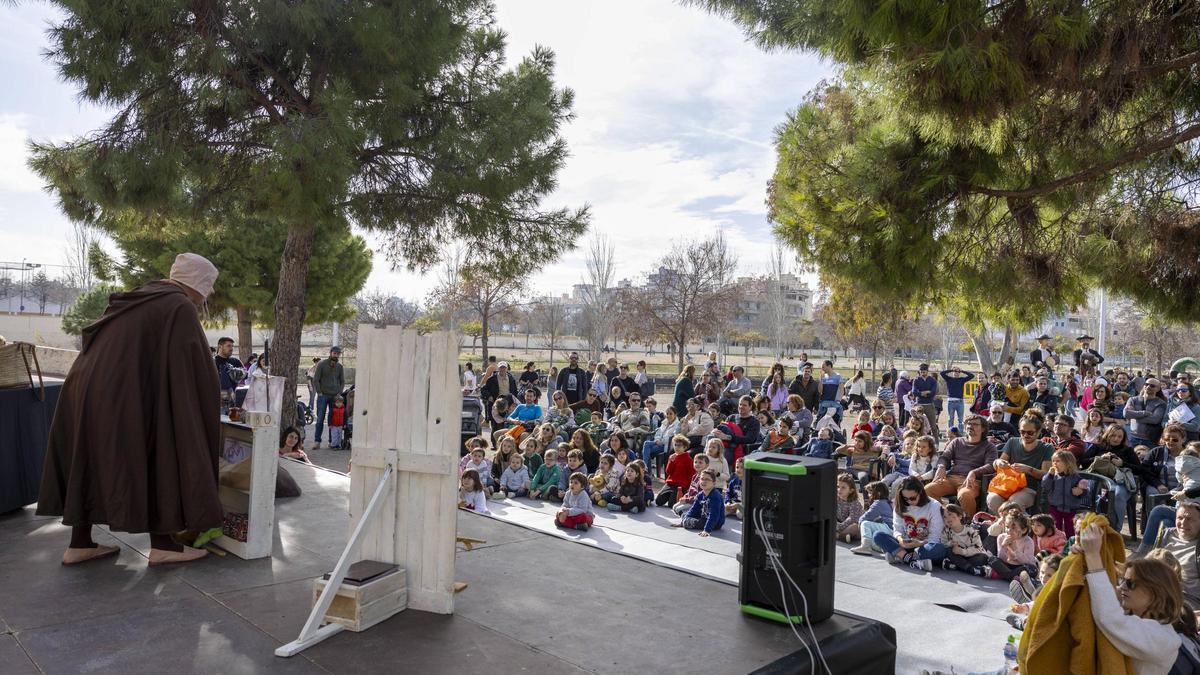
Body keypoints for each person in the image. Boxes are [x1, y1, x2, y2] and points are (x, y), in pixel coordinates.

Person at [38, 252, 223, 566]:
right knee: (158, 450)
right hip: (122, 393)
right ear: (196, 281)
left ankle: (79, 543)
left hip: (85, 387)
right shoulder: (178, 305)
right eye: (209, 284)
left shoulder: (139, 297)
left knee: (89, 456)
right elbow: (194, 365)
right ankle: (164, 545)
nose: (211, 292)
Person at [1074, 523, 1183, 675]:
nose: (1123, 586)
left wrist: (1093, 556)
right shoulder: (1129, 612)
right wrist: (1083, 559)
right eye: (1123, 580)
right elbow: (1104, 598)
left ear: (1157, 592)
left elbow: (1110, 618)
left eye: (1131, 583)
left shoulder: (1164, 639)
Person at [924, 415, 997, 515]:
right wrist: (941, 466)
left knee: (964, 495)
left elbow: (991, 465)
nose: (970, 426)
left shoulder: (989, 447)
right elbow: (944, 457)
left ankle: (970, 521)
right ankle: (944, 515)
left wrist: (974, 472)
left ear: (983, 429)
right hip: (951, 478)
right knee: (927, 490)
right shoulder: (957, 442)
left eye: (975, 424)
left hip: (972, 480)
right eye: (968, 424)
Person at [984, 413, 1054, 513]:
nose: (1025, 435)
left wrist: (1028, 469)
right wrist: (999, 462)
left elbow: (1046, 474)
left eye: (1030, 433)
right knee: (992, 499)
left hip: (1030, 487)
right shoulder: (1012, 442)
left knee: (1014, 502)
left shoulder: (1046, 448)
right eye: (1022, 432)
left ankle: (1018, 522)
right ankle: (1007, 521)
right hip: (1007, 484)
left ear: (1038, 432)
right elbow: (997, 464)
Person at [873, 476, 945, 571]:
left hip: (924, 546)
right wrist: (900, 540)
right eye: (905, 498)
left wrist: (919, 543)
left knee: (940, 549)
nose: (909, 501)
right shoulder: (900, 505)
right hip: (905, 545)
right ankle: (912, 560)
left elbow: (935, 537)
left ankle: (900, 556)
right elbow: (897, 530)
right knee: (878, 535)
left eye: (913, 498)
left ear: (920, 492)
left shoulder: (934, 506)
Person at [1149, 501, 1200, 607]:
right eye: (1180, 518)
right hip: (1158, 590)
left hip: (1186, 598)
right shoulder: (1166, 535)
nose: (1183, 523)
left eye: (1189, 519)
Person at [940, 503, 989, 576]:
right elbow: (943, 543)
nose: (947, 519)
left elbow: (978, 548)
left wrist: (962, 551)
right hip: (957, 557)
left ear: (960, 516)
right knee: (949, 551)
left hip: (971, 556)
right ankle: (970, 569)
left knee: (983, 558)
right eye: (945, 517)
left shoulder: (971, 531)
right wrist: (950, 544)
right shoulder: (946, 531)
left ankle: (956, 565)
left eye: (950, 514)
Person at [988, 511, 1038, 581]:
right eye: (1007, 527)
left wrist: (1015, 550)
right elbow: (1001, 558)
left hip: (1020, 566)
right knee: (992, 559)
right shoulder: (1001, 537)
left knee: (1032, 569)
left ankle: (1004, 575)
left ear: (1024, 530)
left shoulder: (1028, 541)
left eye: (1013, 528)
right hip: (1006, 566)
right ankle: (1013, 577)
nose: (1009, 530)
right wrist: (1003, 546)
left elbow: (1027, 562)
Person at [673, 468, 725, 537]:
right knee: (686, 516)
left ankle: (687, 521)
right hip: (703, 517)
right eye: (702, 479)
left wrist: (707, 530)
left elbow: (714, 515)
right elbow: (694, 509)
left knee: (688, 521)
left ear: (714, 483)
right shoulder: (700, 495)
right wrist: (682, 522)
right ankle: (685, 521)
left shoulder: (715, 496)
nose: (704, 481)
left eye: (707, 479)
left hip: (716, 522)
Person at [312, 346, 346, 449]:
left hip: (335, 397)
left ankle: (332, 442)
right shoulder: (322, 364)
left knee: (334, 420)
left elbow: (342, 381)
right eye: (334, 353)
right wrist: (319, 392)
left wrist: (339, 393)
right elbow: (316, 379)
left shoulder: (339, 367)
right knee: (320, 419)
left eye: (338, 354)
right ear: (330, 353)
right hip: (323, 395)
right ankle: (317, 441)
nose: (336, 355)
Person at [850, 481, 894, 555]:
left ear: (878, 493)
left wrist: (859, 524)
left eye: (870, 493)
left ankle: (865, 546)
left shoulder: (878, 503)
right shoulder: (886, 502)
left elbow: (866, 517)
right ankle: (887, 549)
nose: (868, 495)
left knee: (865, 523)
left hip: (888, 528)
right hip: (890, 530)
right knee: (873, 541)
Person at [656, 435, 698, 508]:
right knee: (658, 501)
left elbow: (691, 475)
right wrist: (671, 461)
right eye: (675, 445)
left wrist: (688, 489)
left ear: (685, 447)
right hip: (670, 483)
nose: (676, 447)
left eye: (679, 445)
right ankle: (670, 495)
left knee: (671, 504)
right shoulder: (672, 457)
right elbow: (668, 472)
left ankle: (674, 496)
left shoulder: (688, 459)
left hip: (680, 485)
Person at [1126, 378, 1168, 448]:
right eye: (1146, 384)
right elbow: (1126, 414)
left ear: (1158, 389)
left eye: (1152, 386)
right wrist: (1144, 413)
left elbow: (1155, 419)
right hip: (1133, 438)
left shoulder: (1161, 404)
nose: (1148, 387)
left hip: (1150, 440)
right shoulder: (1133, 400)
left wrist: (1134, 416)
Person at [641, 405, 680, 476]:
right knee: (646, 448)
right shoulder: (664, 422)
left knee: (646, 447)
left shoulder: (677, 425)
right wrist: (657, 440)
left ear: (675, 414)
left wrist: (661, 441)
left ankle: (645, 469)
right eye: (667, 414)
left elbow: (673, 437)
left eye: (670, 414)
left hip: (667, 446)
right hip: (658, 444)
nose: (668, 416)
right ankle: (647, 471)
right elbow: (658, 433)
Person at [940, 366, 974, 431]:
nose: (956, 373)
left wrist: (962, 371)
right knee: (951, 418)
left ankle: (960, 432)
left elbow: (971, 376)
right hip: (951, 402)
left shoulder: (962, 379)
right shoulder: (948, 379)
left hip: (960, 402)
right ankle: (950, 432)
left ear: (959, 373)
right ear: (953, 372)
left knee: (960, 419)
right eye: (955, 371)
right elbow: (942, 373)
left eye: (958, 372)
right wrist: (951, 370)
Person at [213, 336, 241, 410]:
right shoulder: (212, 362)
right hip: (215, 401)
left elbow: (245, 376)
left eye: (232, 346)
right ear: (220, 346)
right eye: (228, 346)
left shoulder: (235, 361)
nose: (231, 348)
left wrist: (235, 372)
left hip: (233, 401)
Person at [835, 473, 864, 542]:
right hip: (840, 523)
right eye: (838, 486)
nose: (839, 489)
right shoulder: (836, 499)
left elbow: (852, 518)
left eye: (843, 487)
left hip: (852, 525)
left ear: (851, 490)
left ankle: (838, 536)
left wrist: (840, 526)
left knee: (855, 527)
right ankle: (843, 536)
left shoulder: (854, 502)